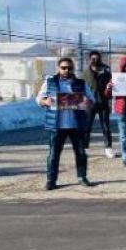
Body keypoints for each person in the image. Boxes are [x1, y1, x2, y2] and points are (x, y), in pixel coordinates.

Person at [37, 57, 95, 190]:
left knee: (80, 152)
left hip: (76, 124)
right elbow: (39, 98)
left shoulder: (80, 83)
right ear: (58, 68)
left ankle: (82, 177)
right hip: (56, 125)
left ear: (73, 69)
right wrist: (45, 102)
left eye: (69, 68)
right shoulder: (50, 82)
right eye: (63, 68)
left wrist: (87, 102)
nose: (66, 70)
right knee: (53, 154)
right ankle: (51, 180)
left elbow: (91, 99)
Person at [82, 50, 115, 158]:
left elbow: (112, 84)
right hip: (90, 104)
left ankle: (108, 148)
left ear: (100, 59)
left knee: (106, 126)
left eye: (96, 58)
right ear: (90, 59)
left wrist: (110, 95)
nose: (94, 60)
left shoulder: (106, 70)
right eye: (92, 58)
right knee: (87, 127)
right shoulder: (86, 72)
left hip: (103, 102)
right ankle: (85, 148)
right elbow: (81, 87)